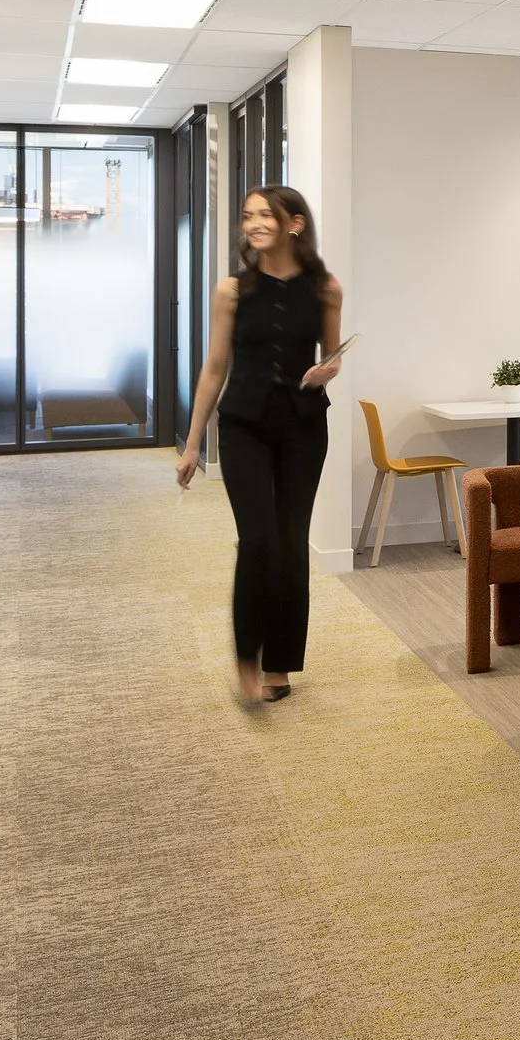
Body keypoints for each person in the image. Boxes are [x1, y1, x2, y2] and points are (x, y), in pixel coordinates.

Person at [175, 186, 346, 705]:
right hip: (244, 425)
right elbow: (213, 368)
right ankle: (247, 656)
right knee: (258, 542)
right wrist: (191, 443)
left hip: (303, 426)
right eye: (247, 216)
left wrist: (328, 370)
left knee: (292, 543)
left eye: (263, 215)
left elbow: (332, 358)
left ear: (294, 224)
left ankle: (281, 665)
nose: (252, 223)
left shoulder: (326, 289)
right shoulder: (233, 290)